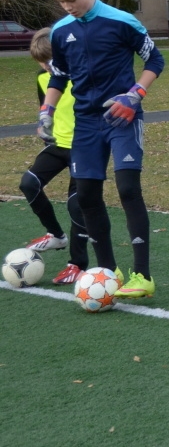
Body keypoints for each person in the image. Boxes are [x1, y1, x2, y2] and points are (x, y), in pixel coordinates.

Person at [43, 0, 165, 298]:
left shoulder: (122, 22)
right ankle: (108, 272)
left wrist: (134, 95)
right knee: (86, 196)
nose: (68, 7)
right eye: (62, 3)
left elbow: (155, 60)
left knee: (127, 188)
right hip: (86, 124)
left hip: (122, 117)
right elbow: (58, 76)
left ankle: (142, 275)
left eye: (73, 0)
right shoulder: (60, 31)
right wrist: (46, 111)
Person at [22, 27, 91, 284]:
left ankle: (77, 264)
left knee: (76, 203)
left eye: (49, 60)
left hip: (85, 147)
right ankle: (55, 235)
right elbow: (47, 106)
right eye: (41, 61)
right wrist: (43, 126)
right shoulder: (43, 77)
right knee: (29, 183)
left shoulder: (84, 75)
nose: (46, 66)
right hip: (58, 145)